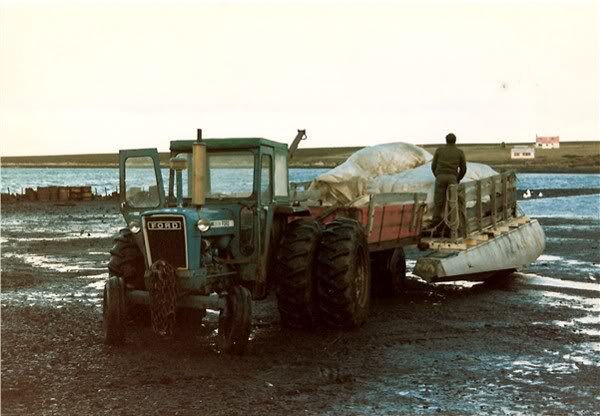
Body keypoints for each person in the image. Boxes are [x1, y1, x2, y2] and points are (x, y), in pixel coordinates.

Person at [431, 133, 467, 227]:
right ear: (455, 140)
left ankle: (436, 222)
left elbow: (433, 166)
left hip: (440, 176)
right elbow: (463, 169)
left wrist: (437, 176)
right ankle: (452, 222)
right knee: (453, 201)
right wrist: (458, 179)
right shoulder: (459, 152)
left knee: (438, 201)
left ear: (446, 140)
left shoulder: (439, 150)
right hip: (452, 177)